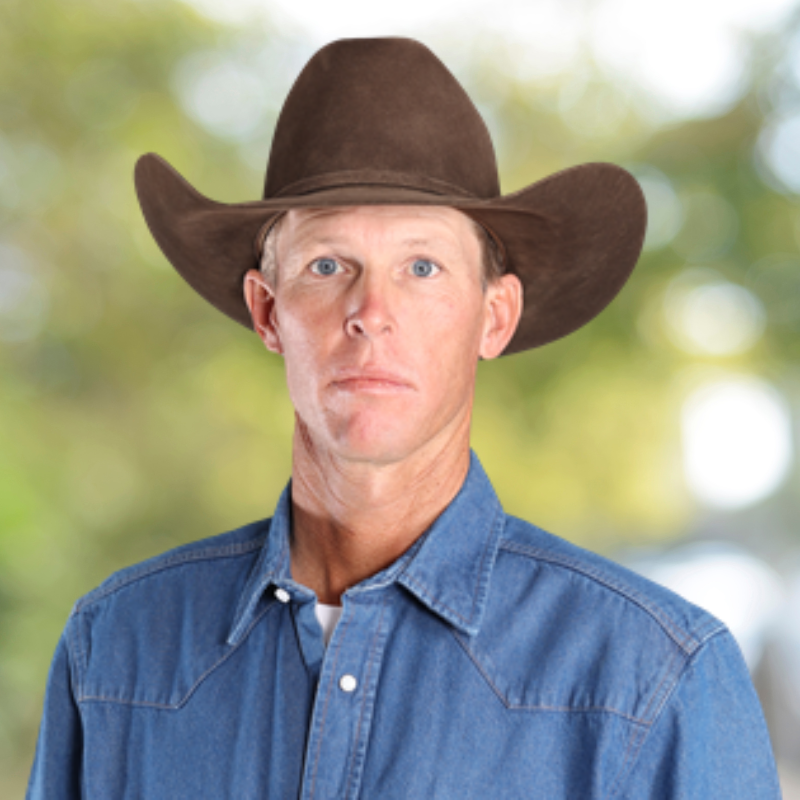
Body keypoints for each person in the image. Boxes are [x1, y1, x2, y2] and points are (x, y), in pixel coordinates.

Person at [27, 37, 781, 799]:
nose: (370, 312)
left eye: (422, 267)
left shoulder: (649, 681)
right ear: (267, 311)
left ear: (494, 316)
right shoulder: (116, 655)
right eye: (327, 265)